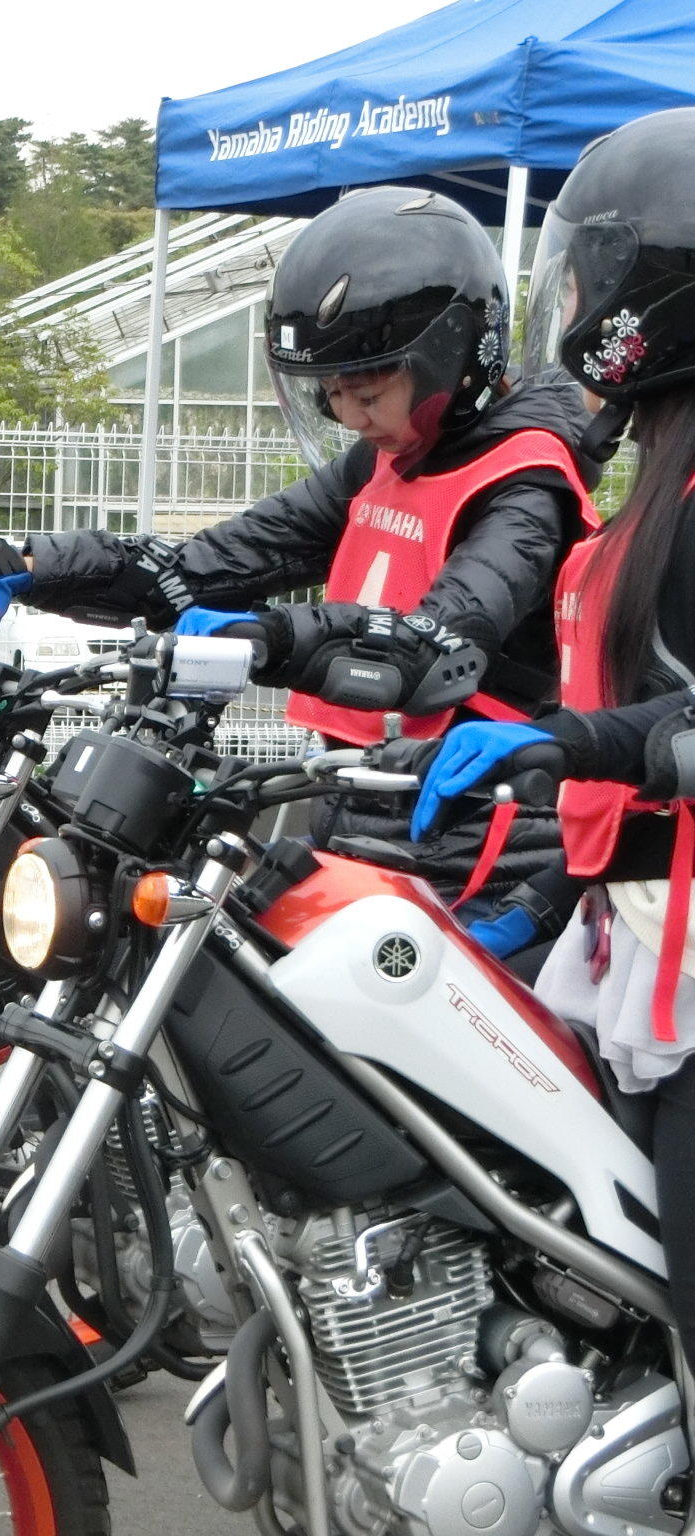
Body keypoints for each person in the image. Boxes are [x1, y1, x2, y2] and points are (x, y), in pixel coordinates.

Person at [0, 187, 598, 913]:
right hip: (356, 796)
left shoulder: (527, 484)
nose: (350, 415)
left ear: (454, 355)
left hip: (482, 836)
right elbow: (202, 570)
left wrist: (276, 635)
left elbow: (439, 645)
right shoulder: (382, 461)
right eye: (331, 394)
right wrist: (36, 565)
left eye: (369, 388)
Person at [408, 107, 695, 1326]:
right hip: (626, 940)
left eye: (584, 270)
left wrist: (556, 743)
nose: (565, 295)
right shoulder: (652, 470)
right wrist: (534, 904)